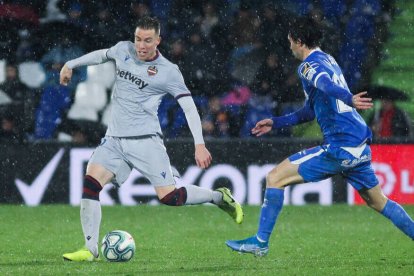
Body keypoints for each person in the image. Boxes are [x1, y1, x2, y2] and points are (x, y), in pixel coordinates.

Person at [226, 16, 414, 257]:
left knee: (274, 178)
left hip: (341, 146)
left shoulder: (307, 66)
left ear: (299, 41)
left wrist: (348, 98)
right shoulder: (329, 59)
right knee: (379, 202)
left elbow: (324, 84)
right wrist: (276, 122)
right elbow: (310, 111)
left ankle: (260, 242)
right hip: (358, 145)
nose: (289, 46)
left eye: (290, 41)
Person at [60, 16, 243, 262]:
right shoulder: (123, 50)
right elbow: (101, 55)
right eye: (138, 39)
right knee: (91, 185)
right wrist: (70, 64)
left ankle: (218, 197)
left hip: (146, 141)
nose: (141, 45)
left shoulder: (168, 71)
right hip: (114, 139)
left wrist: (199, 144)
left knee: (171, 197)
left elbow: (189, 108)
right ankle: (89, 249)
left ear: (158, 40)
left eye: (147, 40)